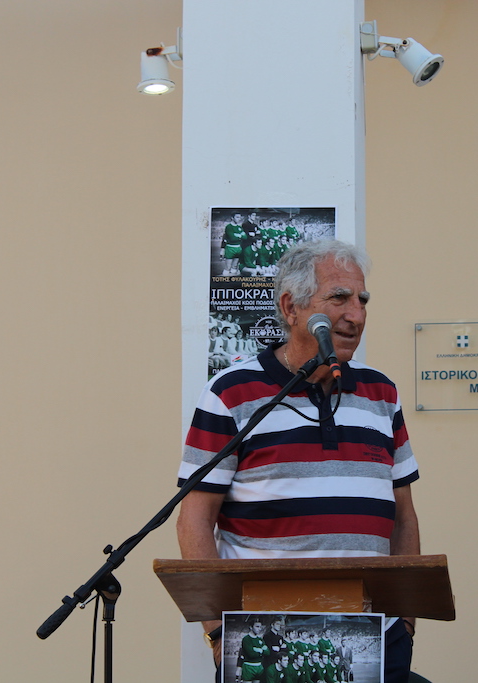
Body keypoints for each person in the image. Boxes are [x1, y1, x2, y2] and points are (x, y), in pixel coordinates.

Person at [177, 239, 421, 682]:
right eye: (339, 298)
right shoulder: (230, 393)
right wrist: (218, 634)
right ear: (291, 308)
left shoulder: (382, 394)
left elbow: (403, 517)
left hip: (376, 640)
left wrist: (405, 622)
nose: (356, 315)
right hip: (267, 640)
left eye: (362, 300)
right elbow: (194, 519)